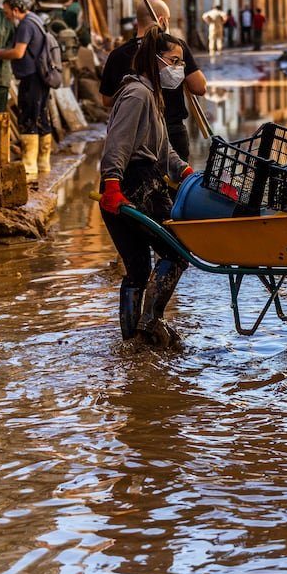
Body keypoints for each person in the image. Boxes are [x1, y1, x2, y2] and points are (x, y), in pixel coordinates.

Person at [98, 25, 194, 346]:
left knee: (138, 270)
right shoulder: (138, 94)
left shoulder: (153, 95)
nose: (179, 69)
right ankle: (151, 322)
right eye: (174, 60)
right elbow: (118, 143)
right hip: (133, 183)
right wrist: (112, 184)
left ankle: (132, 342)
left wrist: (185, 172)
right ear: (156, 61)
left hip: (138, 179)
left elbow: (164, 149)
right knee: (178, 251)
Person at [101, 0, 207, 161]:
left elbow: (107, 100)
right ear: (162, 21)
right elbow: (200, 87)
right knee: (176, 184)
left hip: (135, 135)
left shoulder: (117, 54)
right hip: (172, 131)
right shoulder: (175, 48)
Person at [0, 0, 54, 184]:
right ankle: (42, 163)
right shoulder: (36, 20)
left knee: (29, 117)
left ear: (15, 10)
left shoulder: (25, 25)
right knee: (41, 117)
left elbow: (18, 52)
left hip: (31, 78)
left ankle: (29, 165)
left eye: (6, 12)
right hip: (41, 78)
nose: (6, 16)